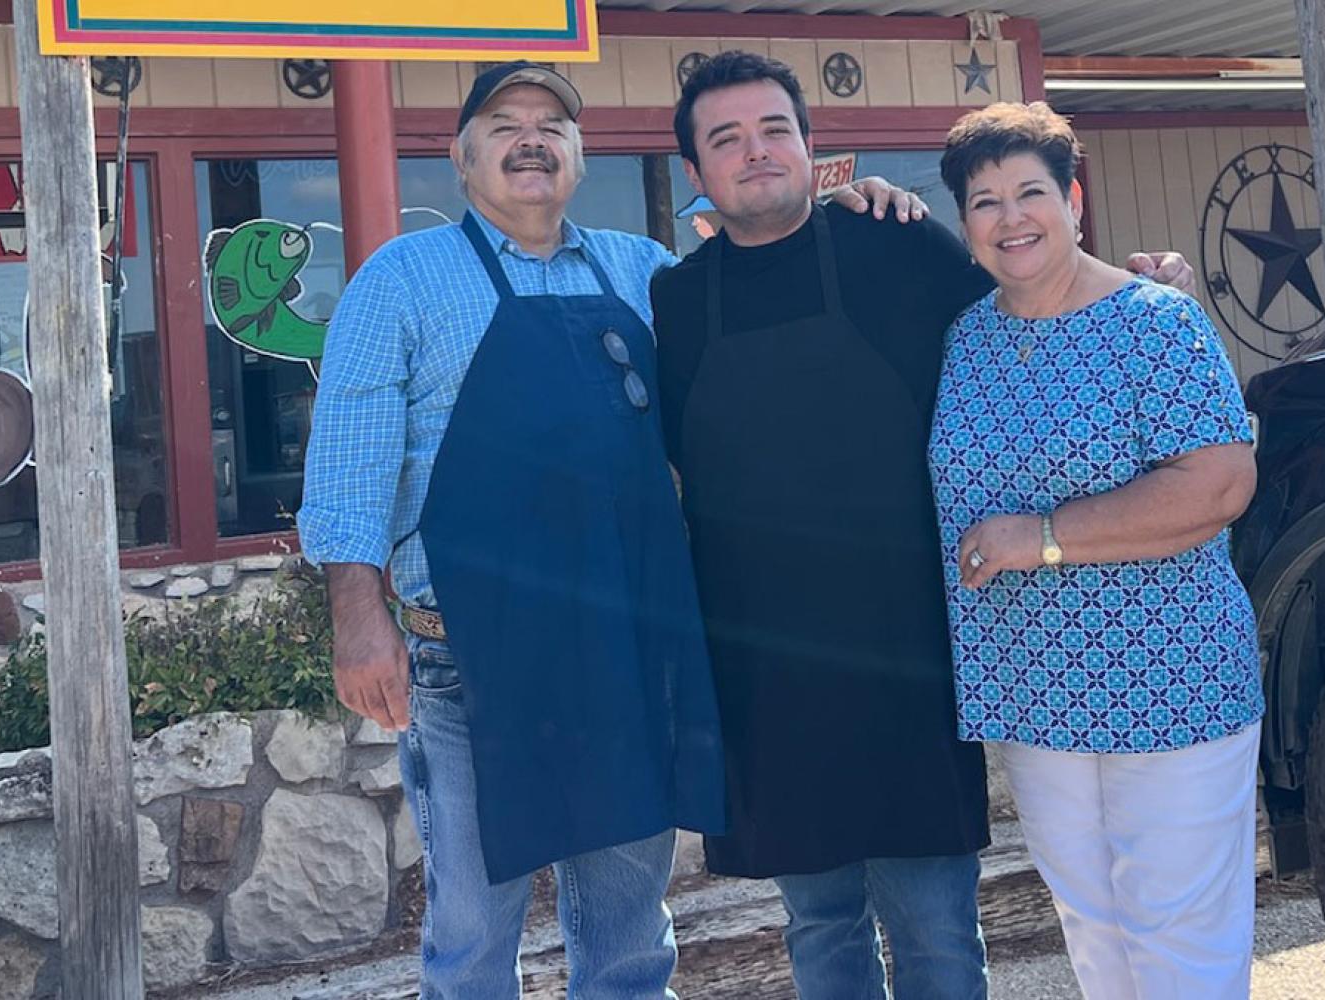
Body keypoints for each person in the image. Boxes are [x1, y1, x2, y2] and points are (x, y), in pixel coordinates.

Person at [299, 61, 925, 1000]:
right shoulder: (402, 278)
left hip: (628, 647)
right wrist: (357, 618)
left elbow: (765, 291)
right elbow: (348, 461)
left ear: (580, 155)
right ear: (462, 161)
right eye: (505, 124)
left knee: (632, 939)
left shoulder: (644, 271)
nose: (531, 138)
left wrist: (854, 219)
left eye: (552, 123)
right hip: (468, 659)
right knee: (472, 934)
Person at [651, 51, 1196, 1000]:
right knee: (819, 928)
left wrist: (1139, 290)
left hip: (907, 655)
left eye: (775, 129)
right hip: (763, 672)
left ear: (811, 148)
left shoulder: (895, 245)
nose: (756, 152)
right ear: (696, 174)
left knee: (939, 930)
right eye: (726, 140)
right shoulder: (676, 300)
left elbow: (1033, 307)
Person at [928, 102, 1263, 999]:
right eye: (985, 201)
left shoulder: (1157, 322)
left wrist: (1038, 538)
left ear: (1073, 199)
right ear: (965, 224)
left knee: (1178, 934)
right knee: (1092, 925)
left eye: (1031, 191)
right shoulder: (965, 340)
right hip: (1036, 693)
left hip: (1171, 683)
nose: (1011, 218)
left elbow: (1220, 484)